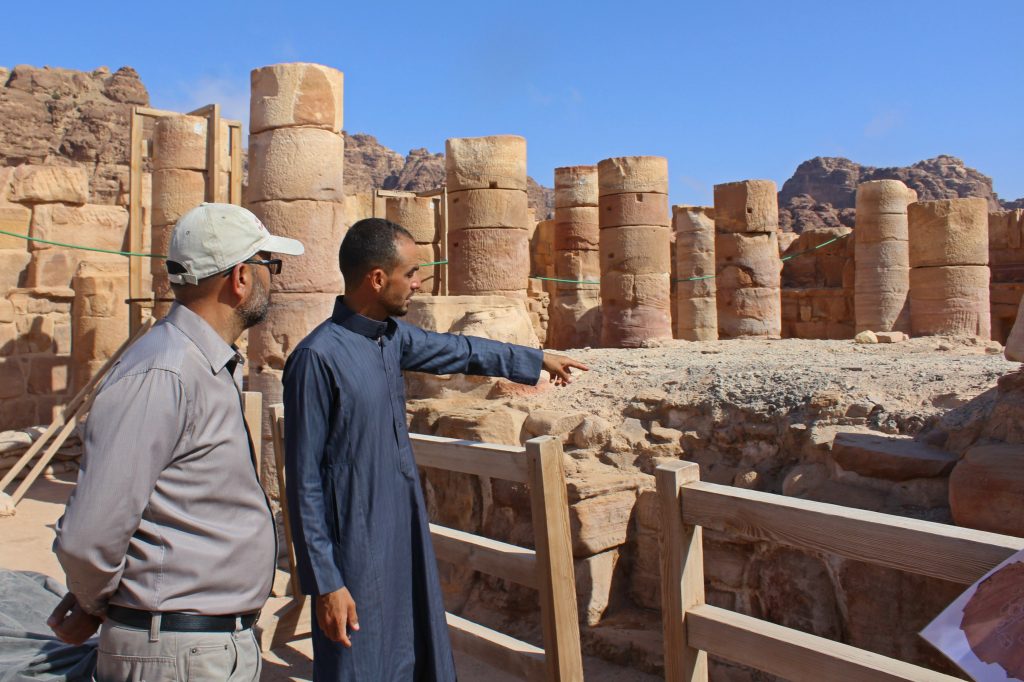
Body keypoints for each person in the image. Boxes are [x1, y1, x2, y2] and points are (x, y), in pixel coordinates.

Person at [283, 218, 589, 680]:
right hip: (354, 551)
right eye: (411, 273)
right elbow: (303, 483)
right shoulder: (316, 358)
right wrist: (326, 584)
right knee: (358, 662)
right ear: (377, 278)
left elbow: (459, 350)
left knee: (414, 652)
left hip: (403, 532)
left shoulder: (391, 337)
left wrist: (536, 359)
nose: (419, 283)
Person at [50, 203, 304, 681]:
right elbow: (88, 537)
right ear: (240, 278)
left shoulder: (200, 364)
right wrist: (95, 602)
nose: (273, 279)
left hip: (198, 646)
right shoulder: (165, 371)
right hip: (176, 652)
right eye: (269, 265)